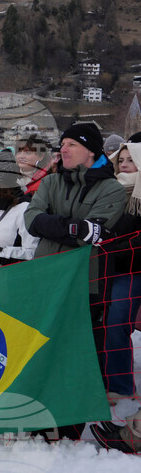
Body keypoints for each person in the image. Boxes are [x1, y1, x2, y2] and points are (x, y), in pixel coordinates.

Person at [25, 122, 126, 293]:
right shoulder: (50, 182)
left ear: (91, 150)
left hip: (84, 284)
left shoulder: (112, 188)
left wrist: (48, 224)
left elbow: (90, 234)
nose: (63, 149)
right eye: (63, 144)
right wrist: (75, 227)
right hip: (43, 276)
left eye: (72, 144)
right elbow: (31, 221)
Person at [99, 140, 141, 403]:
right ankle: (108, 381)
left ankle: (121, 388)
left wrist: (112, 244)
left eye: (131, 160)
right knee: (104, 323)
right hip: (108, 268)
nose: (124, 165)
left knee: (116, 323)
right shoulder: (110, 192)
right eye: (121, 160)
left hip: (133, 270)